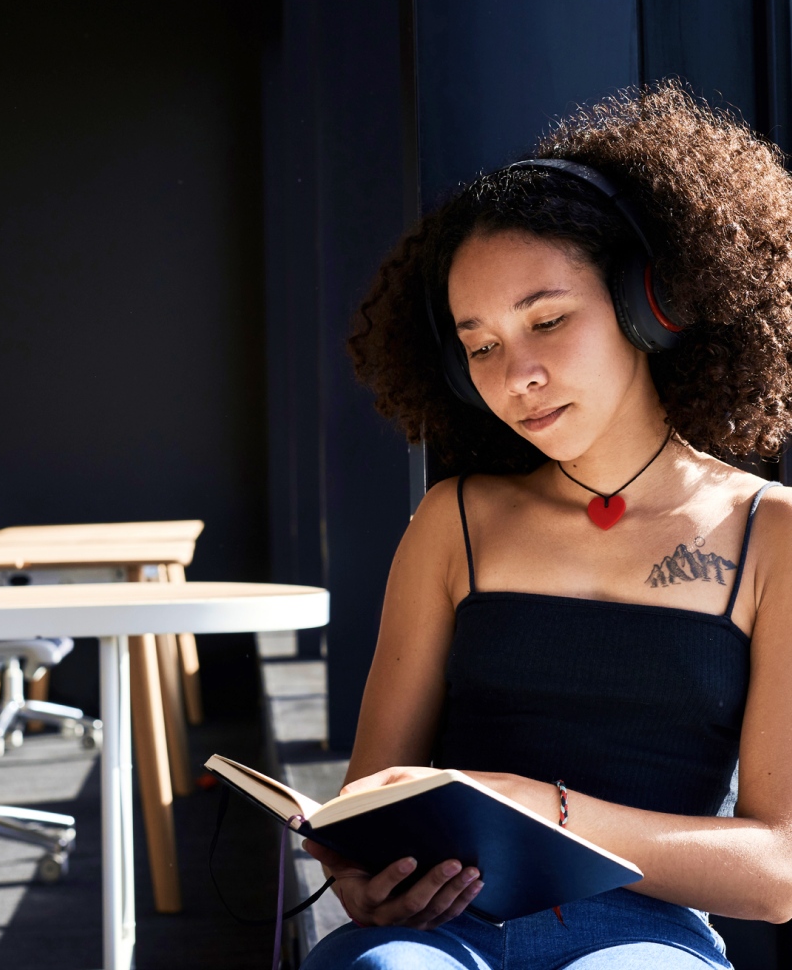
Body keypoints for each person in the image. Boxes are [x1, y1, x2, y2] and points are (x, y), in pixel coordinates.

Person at [300, 82, 792, 970]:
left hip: (646, 935)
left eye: (548, 319)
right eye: (480, 344)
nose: (515, 372)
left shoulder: (773, 536)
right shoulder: (454, 522)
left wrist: (544, 810)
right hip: (442, 934)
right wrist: (359, 879)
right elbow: (364, 806)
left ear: (650, 306)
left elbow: (777, 870)